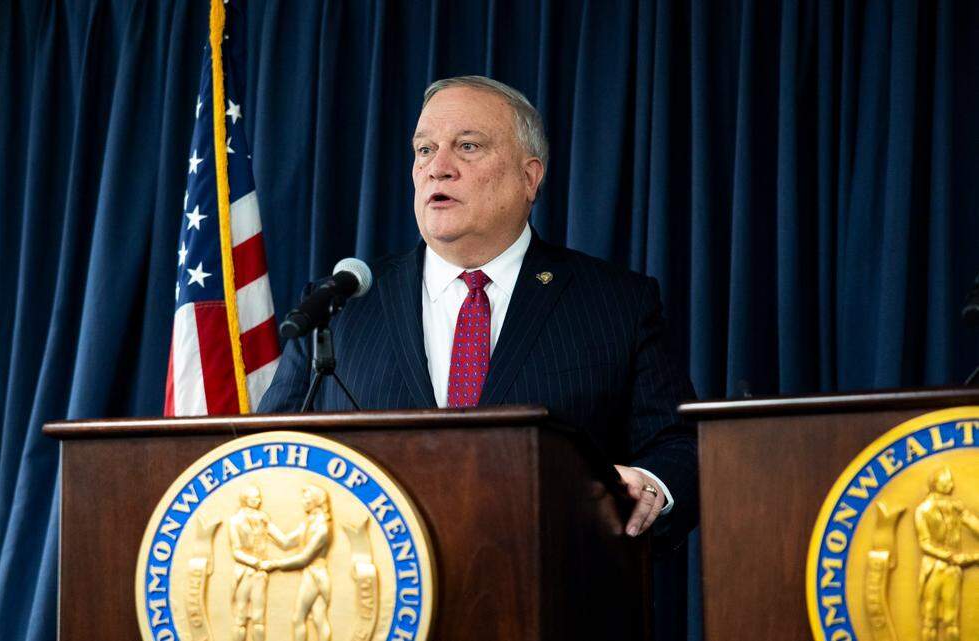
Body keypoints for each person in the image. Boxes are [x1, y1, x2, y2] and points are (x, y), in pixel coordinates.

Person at [259, 75, 697, 539]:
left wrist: (648, 487)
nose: (438, 168)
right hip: (378, 596)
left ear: (530, 177)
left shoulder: (616, 303)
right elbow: (267, 453)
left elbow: (677, 447)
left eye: (467, 147)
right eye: (424, 150)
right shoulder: (341, 306)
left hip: (554, 589)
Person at [260, 486, 334, 641]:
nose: (303, 502)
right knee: (320, 619)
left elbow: (304, 559)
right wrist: (268, 525)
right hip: (314, 575)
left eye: (306, 499)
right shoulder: (309, 522)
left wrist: (274, 565)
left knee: (298, 618)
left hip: (315, 575)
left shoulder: (322, 528)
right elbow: (286, 543)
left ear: (316, 501)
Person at [914, 467, 979, 641]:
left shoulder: (956, 508)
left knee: (952, 620)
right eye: (947, 480)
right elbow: (924, 543)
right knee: (930, 619)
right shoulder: (923, 510)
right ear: (937, 484)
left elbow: (974, 525)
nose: (952, 484)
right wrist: (950, 556)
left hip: (952, 571)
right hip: (933, 569)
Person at [228, 485, 294, 641]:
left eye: (258, 497)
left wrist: (306, 534)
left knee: (258, 617)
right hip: (244, 572)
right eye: (254, 497)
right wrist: (255, 562)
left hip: (260, 575)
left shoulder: (263, 519)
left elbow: (283, 541)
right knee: (241, 616)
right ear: (245, 500)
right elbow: (236, 551)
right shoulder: (235, 521)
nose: (258, 500)